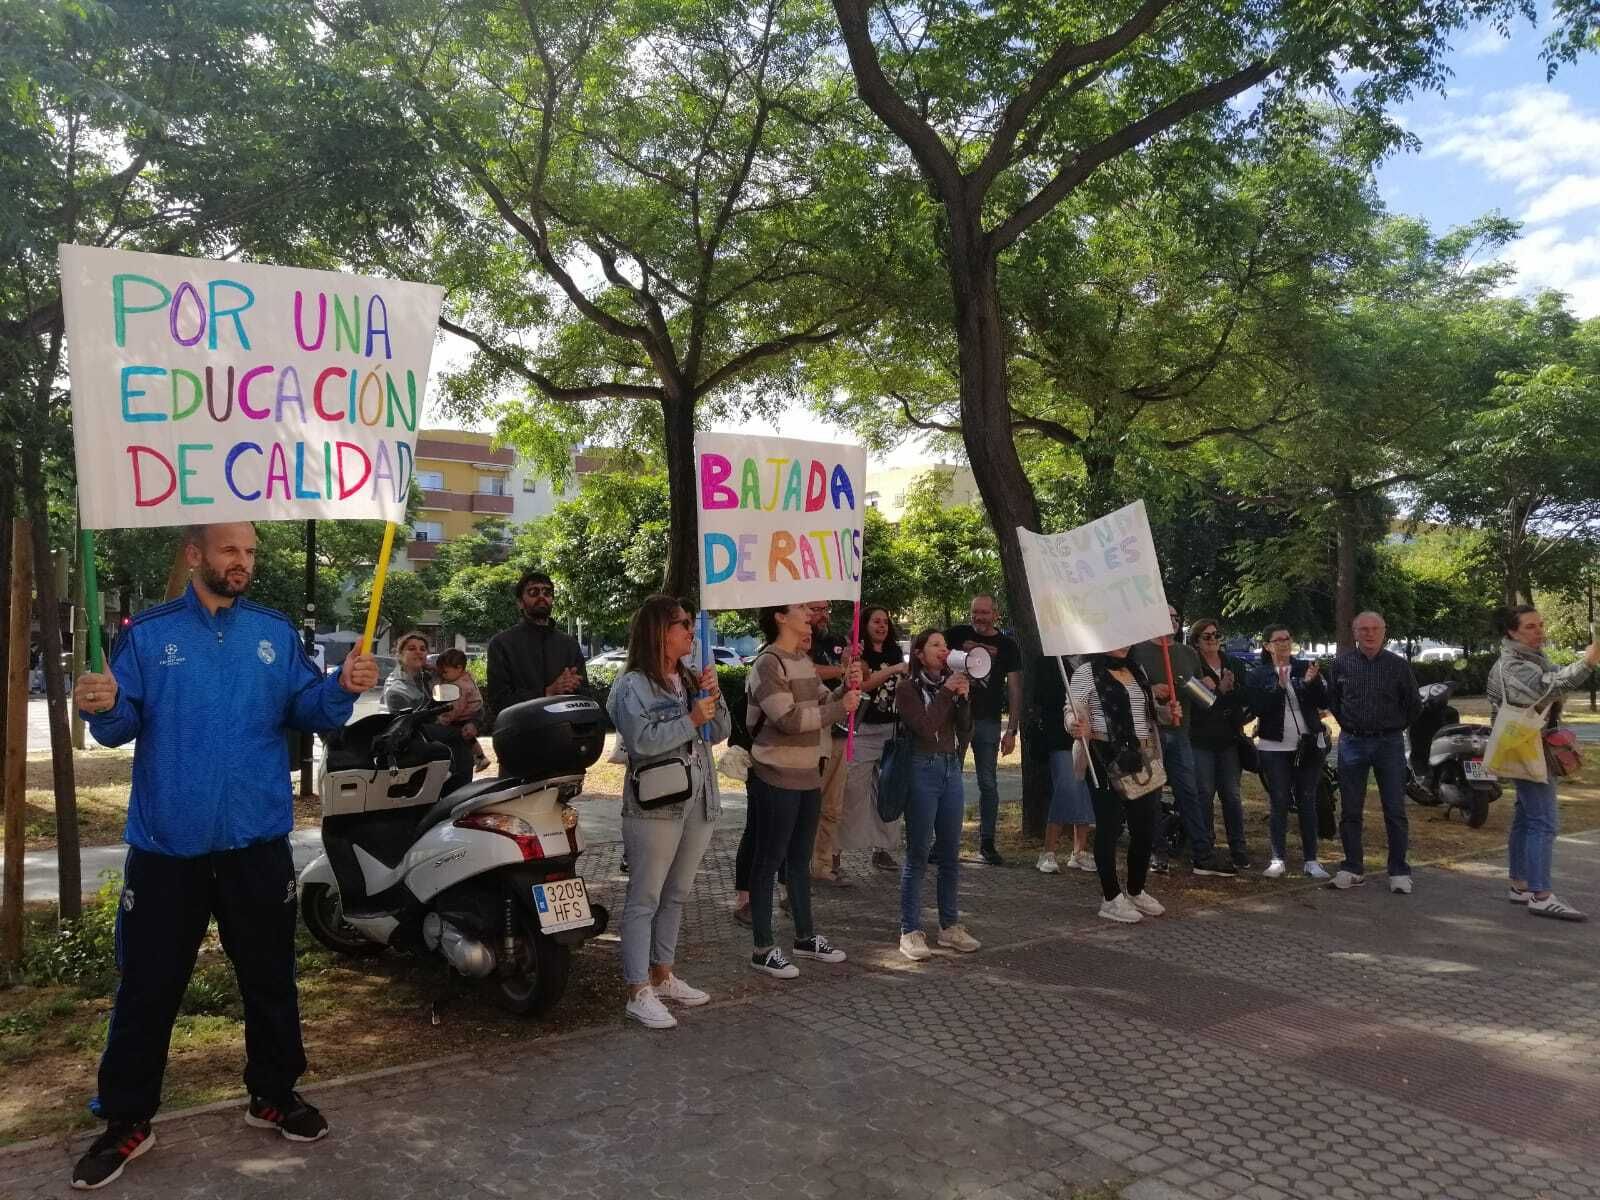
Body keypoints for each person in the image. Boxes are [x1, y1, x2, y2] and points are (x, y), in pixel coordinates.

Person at [69, 522, 378, 1191]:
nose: (243, 563)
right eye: (230, 551)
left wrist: (343, 686)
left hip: (256, 847)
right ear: (194, 555)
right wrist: (102, 704)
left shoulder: (272, 631)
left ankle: (274, 1096)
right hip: (166, 851)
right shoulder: (148, 635)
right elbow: (119, 725)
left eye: (250, 553)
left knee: (270, 978)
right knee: (148, 988)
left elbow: (312, 710)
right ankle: (127, 1119)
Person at [607, 595, 731, 1026]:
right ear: (659, 631)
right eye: (682, 624)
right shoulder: (632, 685)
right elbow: (641, 742)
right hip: (655, 806)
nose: (690, 631)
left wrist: (714, 698)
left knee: (676, 894)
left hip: (698, 798)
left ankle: (663, 975)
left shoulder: (690, 675)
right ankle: (636, 989)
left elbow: (720, 732)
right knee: (645, 897)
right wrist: (692, 719)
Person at [744, 602, 859, 977]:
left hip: (809, 775)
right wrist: (841, 707)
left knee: (799, 862)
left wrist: (847, 685)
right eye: (799, 608)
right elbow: (789, 719)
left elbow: (824, 700)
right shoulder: (768, 664)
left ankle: (805, 937)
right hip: (775, 777)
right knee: (768, 862)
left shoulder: (803, 661)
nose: (809, 613)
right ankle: (763, 947)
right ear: (780, 617)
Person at [1487, 605, 1600, 921]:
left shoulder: (1528, 658)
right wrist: (1589, 661)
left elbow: (1551, 680)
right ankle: (1541, 894)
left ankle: (1520, 885)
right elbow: (1551, 687)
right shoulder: (1512, 665)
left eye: (1540, 624)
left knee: (1526, 817)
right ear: (1512, 632)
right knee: (1543, 821)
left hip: (1526, 746)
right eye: (1530, 627)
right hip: (1527, 748)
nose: (1540, 631)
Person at [895, 630, 982, 959]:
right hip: (922, 768)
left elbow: (965, 731)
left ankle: (949, 926)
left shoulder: (951, 683)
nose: (943, 650)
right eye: (935, 645)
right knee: (918, 852)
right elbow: (925, 726)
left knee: (950, 853)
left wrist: (964, 700)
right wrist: (947, 693)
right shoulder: (907, 689)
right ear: (919, 653)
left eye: (945, 645)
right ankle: (910, 930)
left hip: (950, 768)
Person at [1068, 648, 1166, 924]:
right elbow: (1072, 709)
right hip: (1105, 754)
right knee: (1109, 827)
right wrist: (1074, 725)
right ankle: (1110, 898)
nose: (1122, 644)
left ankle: (1136, 889)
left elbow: (1146, 713)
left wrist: (1166, 712)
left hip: (1143, 757)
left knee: (1145, 826)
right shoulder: (1087, 672)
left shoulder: (1137, 670)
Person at [1326, 611, 1422, 893]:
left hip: (1388, 743)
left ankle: (1399, 871)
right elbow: (1334, 701)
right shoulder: (1341, 665)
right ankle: (1352, 867)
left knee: (1394, 808)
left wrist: (1392, 728)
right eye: (1363, 629)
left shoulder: (1398, 666)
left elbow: (1414, 705)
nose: (1369, 634)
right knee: (1350, 809)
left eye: (1375, 629)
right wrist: (1350, 724)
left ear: (1384, 632)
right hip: (1352, 742)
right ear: (1354, 633)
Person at [1133, 606, 1229, 876]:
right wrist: (1150, 690)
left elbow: (1200, 698)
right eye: (1167, 617)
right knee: (1151, 795)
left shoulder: (1187, 653)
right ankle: (1156, 852)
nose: (1173, 622)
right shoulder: (1138, 651)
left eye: (1176, 618)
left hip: (1180, 732)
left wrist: (1207, 689)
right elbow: (1129, 689)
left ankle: (1202, 853)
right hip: (1151, 734)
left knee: (1190, 792)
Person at [1247, 625, 1331, 880]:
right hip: (1274, 747)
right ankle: (1277, 859)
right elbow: (1258, 707)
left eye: (1287, 638)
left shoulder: (1305, 667)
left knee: (1308, 800)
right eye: (1278, 640)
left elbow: (1324, 702)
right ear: (1267, 646)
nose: (1284, 643)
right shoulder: (1259, 674)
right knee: (1279, 801)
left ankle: (1311, 860)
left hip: (1306, 745)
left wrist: (1311, 683)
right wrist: (1279, 686)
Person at [945, 595, 1023, 864]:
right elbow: (930, 655)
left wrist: (1012, 729)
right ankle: (943, 843)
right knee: (947, 779)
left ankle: (987, 844)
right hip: (953, 719)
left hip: (988, 721)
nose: (979, 617)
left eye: (985, 612)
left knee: (988, 783)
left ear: (995, 615)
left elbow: (1014, 689)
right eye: (975, 612)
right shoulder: (956, 635)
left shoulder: (1007, 646)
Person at [837, 605, 908, 871]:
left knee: (888, 791)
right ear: (865, 624)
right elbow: (862, 684)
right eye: (876, 621)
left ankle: (884, 849)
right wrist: (894, 670)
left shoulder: (893, 652)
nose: (882, 626)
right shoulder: (857, 653)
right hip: (863, 730)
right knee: (852, 791)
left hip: (890, 731)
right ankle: (836, 851)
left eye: (886, 622)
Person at [1187, 618, 1251, 870]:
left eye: (1216, 635)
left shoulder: (1233, 664)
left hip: (1229, 740)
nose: (1213, 639)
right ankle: (1205, 847)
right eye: (1206, 636)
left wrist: (1225, 693)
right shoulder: (1193, 666)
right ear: (1196, 641)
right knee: (1204, 794)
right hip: (1200, 739)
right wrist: (1221, 693)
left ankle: (1239, 847)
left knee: (1232, 796)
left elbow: (1243, 698)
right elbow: (1200, 706)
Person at [485, 570, 590, 717]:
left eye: (547, 592)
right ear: (520, 603)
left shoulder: (569, 644)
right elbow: (499, 701)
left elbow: (585, 696)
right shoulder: (501, 644)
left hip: (565, 732)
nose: (542, 596)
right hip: (520, 733)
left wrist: (573, 686)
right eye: (533, 592)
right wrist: (547, 692)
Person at [383, 631, 472, 789]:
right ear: (400, 654)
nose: (418, 651)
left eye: (423, 649)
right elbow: (410, 724)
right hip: (413, 746)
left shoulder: (427, 676)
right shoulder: (396, 688)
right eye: (411, 648)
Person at [1031, 654, 1095, 874]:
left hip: (1091, 736)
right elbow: (1042, 697)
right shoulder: (1051, 660)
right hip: (1060, 736)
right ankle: (1047, 852)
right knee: (1066, 788)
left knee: (1084, 789)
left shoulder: (1094, 661)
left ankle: (1079, 852)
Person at [806, 601, 854, 885]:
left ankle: (823, 866)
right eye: (817, 609)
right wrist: (841, 672)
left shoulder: (836, 642)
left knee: (833, 807)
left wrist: (853, 671)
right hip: (811, 739)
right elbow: (809, 672)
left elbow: (850, 680)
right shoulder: (798, 645)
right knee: (808, 807)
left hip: (839, 735)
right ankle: (798, 868)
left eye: (827, 609)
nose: (823, 615)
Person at [434, 648, 490, 773]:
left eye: (444, 672)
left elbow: (454, 709)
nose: (442, 675)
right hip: (472, 711)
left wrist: (442, 721)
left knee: (466, 735)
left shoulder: (459, 687)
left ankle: (480, 758)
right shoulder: (465, 676)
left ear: (459, 668)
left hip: (465, 714)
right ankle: (481, 757)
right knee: (469, 737)